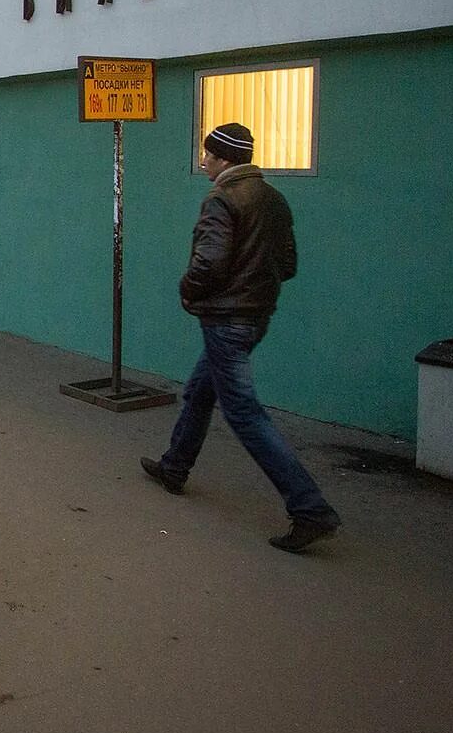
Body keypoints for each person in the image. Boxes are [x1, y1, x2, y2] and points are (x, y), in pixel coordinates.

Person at [140, 123, 341, 553]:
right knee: (198, 392)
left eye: (208, 155)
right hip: (255, 316)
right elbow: (287, 264)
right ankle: (175, 467)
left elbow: (208, 264)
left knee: (244, 413)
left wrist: (188, 289)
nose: (203, 161)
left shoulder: (222, 199)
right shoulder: (274, 199)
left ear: (225, 159)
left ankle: (309, 508)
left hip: (225, 320)